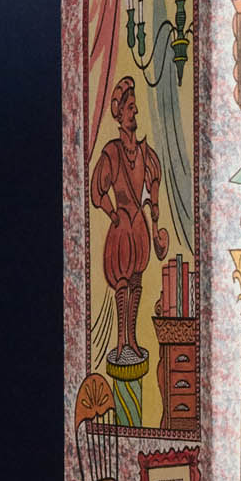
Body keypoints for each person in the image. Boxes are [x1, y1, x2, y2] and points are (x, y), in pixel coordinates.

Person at [90, 77, 168, 363]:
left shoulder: (145, 152)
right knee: (122, 284)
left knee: (137, 283)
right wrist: (113, 214)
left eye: (135, 107)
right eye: (130, 107)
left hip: (139, 229)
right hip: (122, 228)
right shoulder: (112, 152)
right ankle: (121, 340)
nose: (135, 111)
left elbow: (154, 181)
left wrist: (155, 210)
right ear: (119, 113)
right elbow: (97, 191)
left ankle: (132, 339)